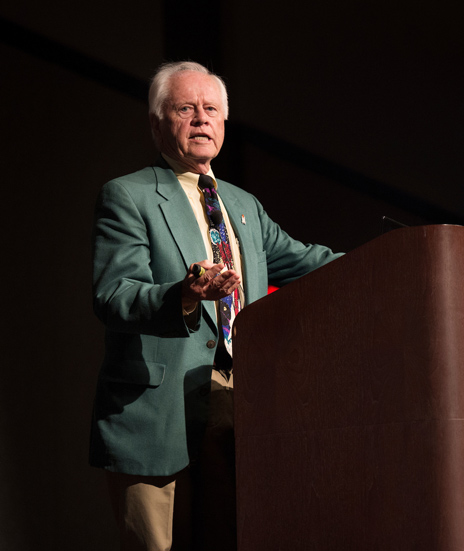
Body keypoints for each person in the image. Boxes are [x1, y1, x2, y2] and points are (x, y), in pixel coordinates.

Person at [89, 61, 342, 551]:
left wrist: (387, 261)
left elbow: (306, 261)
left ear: (224, 124)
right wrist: (183, 293)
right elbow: (113, 294)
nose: (201, 119)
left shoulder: (244, 205)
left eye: (210, 110)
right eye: (185, 108)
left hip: (239, 399)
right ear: (157, 122)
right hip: (154, 411)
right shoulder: (130, 195)